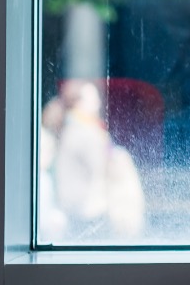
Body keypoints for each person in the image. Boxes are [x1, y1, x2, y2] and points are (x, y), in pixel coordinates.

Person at [43, 79, 145, 240]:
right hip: (88, 210)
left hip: (78, 207)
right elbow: (102, 170)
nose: (97, 102)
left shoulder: (73, 128)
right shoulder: (85, 133)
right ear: (77, 103)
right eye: (92, 98)